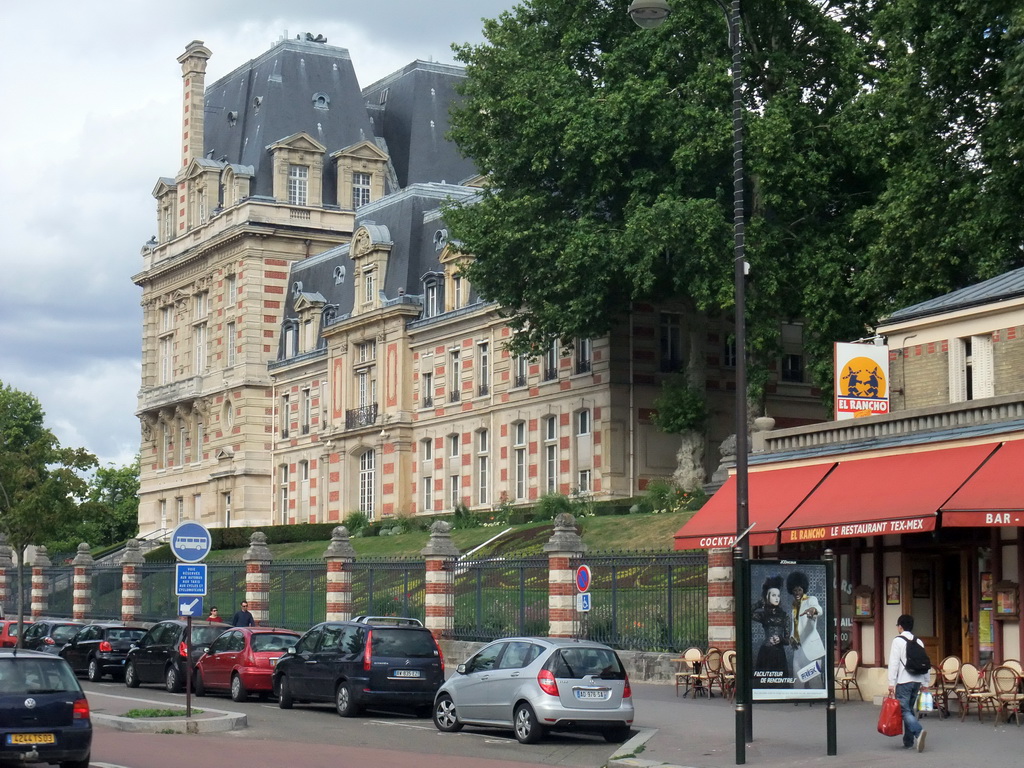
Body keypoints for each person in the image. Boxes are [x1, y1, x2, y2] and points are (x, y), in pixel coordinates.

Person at [887, 614, 930, 752]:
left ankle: (918, 731)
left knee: (904, 710)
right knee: (909, 710)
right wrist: (925, 682)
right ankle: (908, 741)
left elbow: (893, 663)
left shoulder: (897, 641)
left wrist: (891, 683)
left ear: (900, 626)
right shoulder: (919, 641)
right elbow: (925, 662)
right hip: (917, 680)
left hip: (904, 680)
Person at [788, 570, 826, 689]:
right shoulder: (794, 605)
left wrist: (812, 611)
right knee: (797, 679)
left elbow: (818, 608)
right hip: (798, 650)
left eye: (799, 589)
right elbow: (794, 626)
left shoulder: (811, 600)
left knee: (815, 681)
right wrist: (791, 639)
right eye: (794, 590)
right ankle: (798, 699)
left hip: (812, 648)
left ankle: (818, 700)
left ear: (804, 588)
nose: (797, 593)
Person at [752, 575, 790, 688]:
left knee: (780, 683)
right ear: (768, 597)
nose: (777, 598)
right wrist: (760, 603)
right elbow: (747, 612)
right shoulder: (764, 614)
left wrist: (780, 639)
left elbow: (788, 640)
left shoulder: (784, 616)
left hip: (779, 654)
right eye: (773, 595)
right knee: (765, 683)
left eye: (778, 595)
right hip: (765, 652)